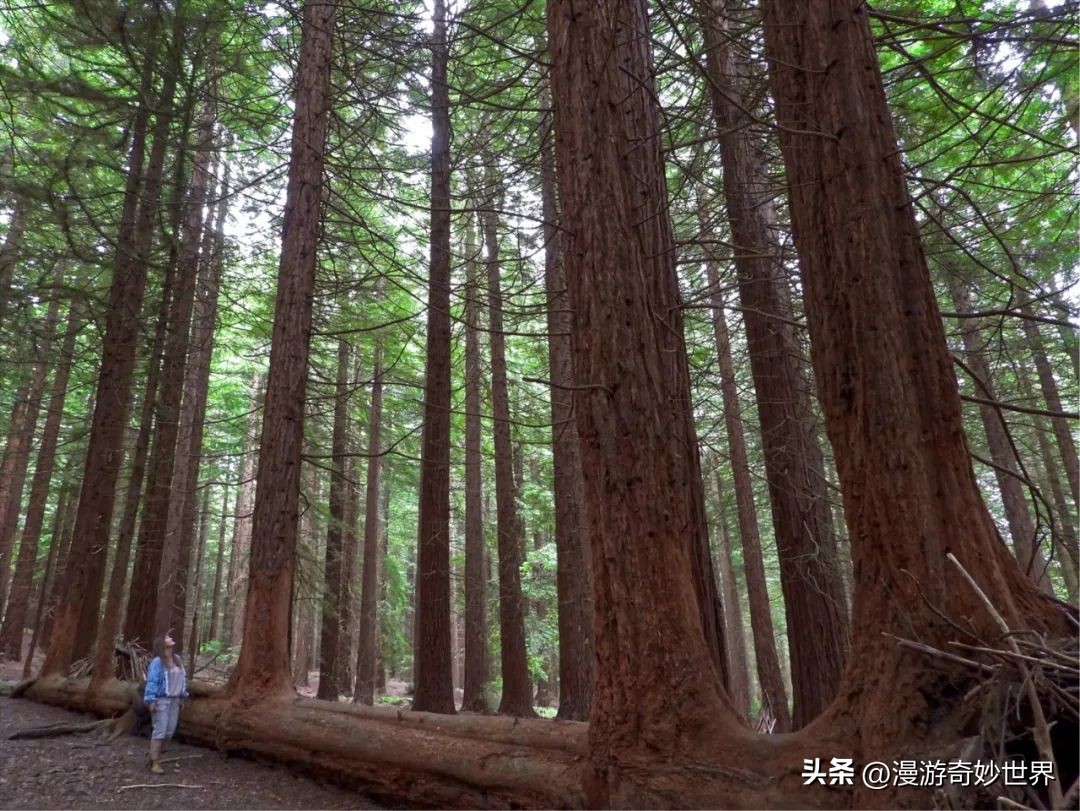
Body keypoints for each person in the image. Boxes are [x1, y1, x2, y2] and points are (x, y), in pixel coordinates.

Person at [144, 633, 189, 774]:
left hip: (175, 700)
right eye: (168, 643)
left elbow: (183, 678)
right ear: (162, 646)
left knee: (169, 732)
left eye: (171, 643)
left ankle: (154, 755)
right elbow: (152, 681)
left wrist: (183, 696)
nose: (171, 646)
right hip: (161, 700)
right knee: (160, 731)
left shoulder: (177, 660)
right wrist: (151, 699)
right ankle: (154, 761)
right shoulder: (157, 662)